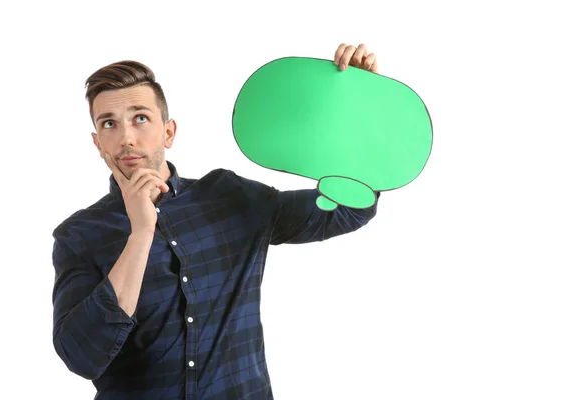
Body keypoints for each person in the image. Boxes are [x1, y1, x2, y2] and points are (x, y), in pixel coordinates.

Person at [51, 42, 381, 400]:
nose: (126, 137)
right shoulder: (79, 235)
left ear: (169, 132)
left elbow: (347, 209)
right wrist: (141, 233)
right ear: (98, 143)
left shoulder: (230, 198)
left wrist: (360, 108)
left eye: (140, 118)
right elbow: (82, 356)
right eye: (109, 124)